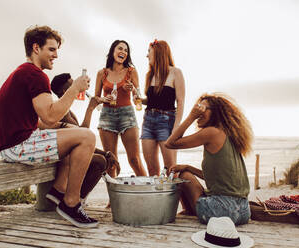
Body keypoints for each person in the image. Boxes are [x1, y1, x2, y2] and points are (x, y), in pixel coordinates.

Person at [0, 25, 98, 228]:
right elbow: (49, 116)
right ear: (36, 48)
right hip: (17, 147)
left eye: (57, 50)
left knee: (75, 133)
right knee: (88, 137)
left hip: (12, 144)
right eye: (51, 49)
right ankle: (71, 203)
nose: (56, 55)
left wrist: (65, 126)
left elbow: (39, 120)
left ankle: (58, 190)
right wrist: (75, 88)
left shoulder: (24, 72)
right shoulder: (35, 75)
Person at [164, 93, 253, 225]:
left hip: (222, 211)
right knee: (187, 172)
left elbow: (170, 143)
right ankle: (192, 210)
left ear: (215, 113)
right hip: (244, 211)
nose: (198, 111)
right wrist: (189, 167)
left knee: (182, 176)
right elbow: (217, 179)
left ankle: (189, 211)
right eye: (197, 108)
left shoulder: (211, 132)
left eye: (203, 108)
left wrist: (191, 117)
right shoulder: (230, 134)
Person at [48, 73, 120, 202]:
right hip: (62, 159)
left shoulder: (67, 110)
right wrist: (90, 108)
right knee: (100, 161)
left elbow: (81, 134)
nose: (80, 87)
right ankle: (75, 202)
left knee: (103, 158)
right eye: (74, 84)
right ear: (66, 91)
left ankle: (76, 199)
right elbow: (80, 137)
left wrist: (107, 153)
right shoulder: (61, 112)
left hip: (67, 156)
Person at [95, 40, 147, 177]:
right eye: (120, 48)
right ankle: (114, 199)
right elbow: (96, 98)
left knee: (134, 159)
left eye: (126, 50)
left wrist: (133, 89)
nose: (123, 52)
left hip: (127, 115)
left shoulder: (131, 71)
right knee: (111, 163)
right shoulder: (102, 73)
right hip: (106, 116)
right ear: (113, 51)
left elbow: (138, 96)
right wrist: (103, 99)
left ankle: (147, 192)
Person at [139, 39, 185, 176]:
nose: (147, 56)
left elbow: (180, 101)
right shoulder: (150, 75)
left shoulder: (176, 72)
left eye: (149, 52)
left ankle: (176, 198)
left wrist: (176, 128)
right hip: (147, 122)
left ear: (158, 52)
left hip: (167, 122)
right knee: (152, 171)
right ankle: (157, 197)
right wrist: (141, 100)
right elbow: (153, 100)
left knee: (171, 170)